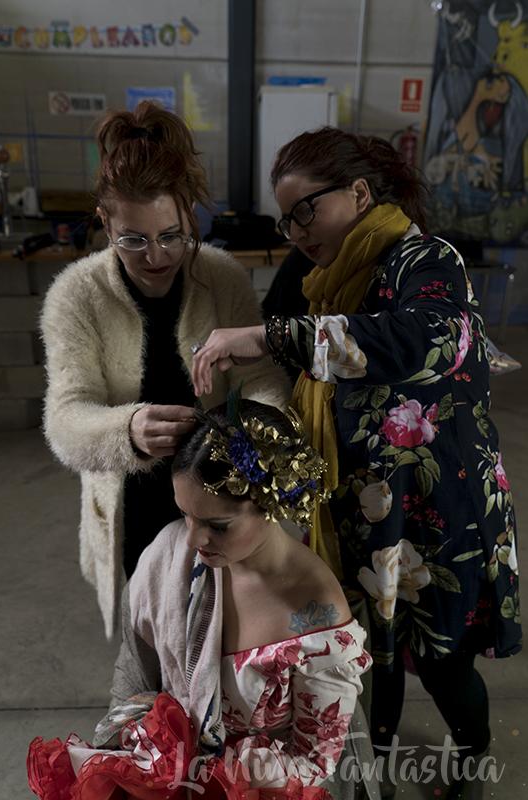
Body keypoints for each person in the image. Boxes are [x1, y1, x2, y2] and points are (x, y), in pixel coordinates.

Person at [190, 128, 522, 797]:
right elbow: (292, 373)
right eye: (286, 219)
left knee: (443, 661)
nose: (295, 231)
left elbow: (427, 340)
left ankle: (473, 756)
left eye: (305, 210)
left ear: (360, 192)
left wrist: (270, 333)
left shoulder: (425, 260)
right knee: (370, 655)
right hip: (358, 509)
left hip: (438, 511)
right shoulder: (318, 278)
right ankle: (377, 773)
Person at [28, 400, 378, 800]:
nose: (193, 540)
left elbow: (315, 762)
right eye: (185, 515)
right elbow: (134, 671)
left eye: (217, 525)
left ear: (275, 503)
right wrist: (133, 748)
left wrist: (212, 769)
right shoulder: (168, 554)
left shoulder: (317, 614)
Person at [40, 101, 289, 639]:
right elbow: (64, 420)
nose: (156, 256)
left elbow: (264, 380)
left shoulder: (221, 277)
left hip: (222, 496)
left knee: (229, 644)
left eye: (172, 235)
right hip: (136, 509)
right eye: (134, 239)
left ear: (190, 216)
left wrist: (251, 441)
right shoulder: (76, 296)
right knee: (155, 643)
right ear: (105, 222)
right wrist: (126, 430)